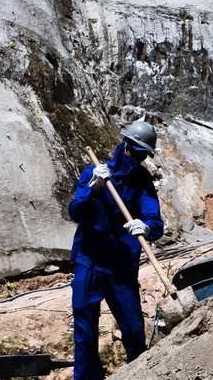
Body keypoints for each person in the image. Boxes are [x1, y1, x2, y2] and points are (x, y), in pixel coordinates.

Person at [68, 120, 164, 379]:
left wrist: (145, 227)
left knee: (133, 330)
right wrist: (92, 189)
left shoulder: (142, 181)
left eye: (144, 156)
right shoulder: (94, 173)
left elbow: (155, 222)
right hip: (89, 261)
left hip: (122, 267)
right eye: (136, 153)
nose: (138, 160)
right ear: (125, 147)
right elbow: (75, 213)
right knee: (85, 332)